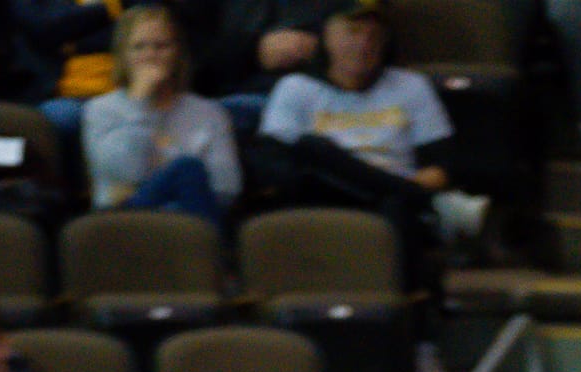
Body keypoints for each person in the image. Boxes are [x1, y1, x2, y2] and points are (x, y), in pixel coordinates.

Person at [253, 0, 487, 281]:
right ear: (326, 36)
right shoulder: (297, 88)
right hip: (325, 196)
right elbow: (273, 167)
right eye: (352, 32)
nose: (364, 45)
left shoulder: (410, 86)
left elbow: (439, 167)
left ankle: (405, 304)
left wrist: (387, 186)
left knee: (395, 207)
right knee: (310, 148)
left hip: (393, 204)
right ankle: (436, 204)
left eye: (373, 36)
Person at [83, 5, 244, 214]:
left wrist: (162, 172)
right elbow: (127, 172)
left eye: (161, 46)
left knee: (188, 170)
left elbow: (227, 188)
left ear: (177, 52)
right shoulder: (100, 110)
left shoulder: (209, 112)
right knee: (186, 168)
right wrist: (139, 103)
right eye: (138, 47)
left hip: (190, 216)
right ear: (123, 55)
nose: (150, 55)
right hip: (123, 222)